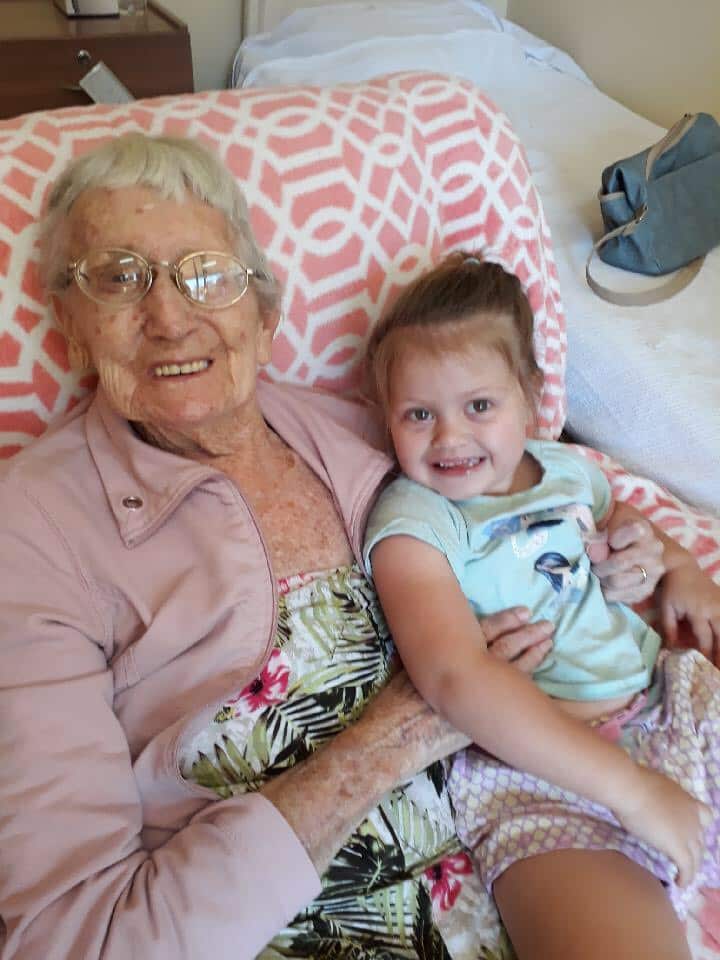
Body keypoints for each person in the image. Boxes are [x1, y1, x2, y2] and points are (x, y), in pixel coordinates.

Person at [0, 134, 666, 960]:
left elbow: (544, 495)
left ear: (265, 311)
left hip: (524, 843)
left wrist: (648, 558)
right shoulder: (31, 526)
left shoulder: (384, 433)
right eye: (118, 278)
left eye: (206, 274)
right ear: (69, 320)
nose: (169, 317)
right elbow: (70, 940)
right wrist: (392, 739)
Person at [363, 252, 720, 960]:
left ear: (529, 396)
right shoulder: (413, 522)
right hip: (540, 771)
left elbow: (626, 530)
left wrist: (673, 567)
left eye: (480, 406)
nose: (450, 437)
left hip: (669, 698)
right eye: (419, 414)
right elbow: (453, 678)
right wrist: (637, 794)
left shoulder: (568, 471)